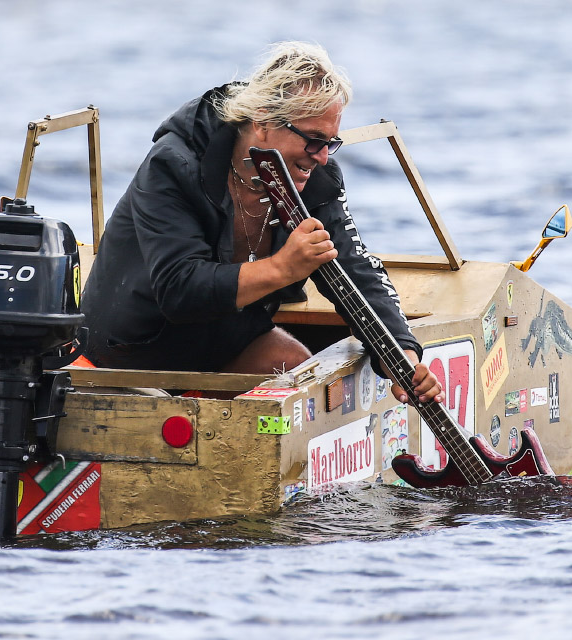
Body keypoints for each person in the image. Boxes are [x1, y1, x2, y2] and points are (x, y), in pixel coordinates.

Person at [81, 42, 442, 406]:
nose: (320, 158)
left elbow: (356, 268)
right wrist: (283, 268)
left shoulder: (316, 176)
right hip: (132, 348)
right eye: (314, 140)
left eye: (330, 144)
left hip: (224, 337)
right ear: (263, 122)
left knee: (300, 375)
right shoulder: (175, 163)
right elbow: (180, 291)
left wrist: (402, 357)